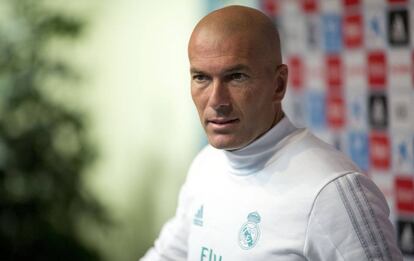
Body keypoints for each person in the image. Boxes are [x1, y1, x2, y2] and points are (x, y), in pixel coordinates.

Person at [141, 5, 403, 261]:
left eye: (236, 77)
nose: (216, 101)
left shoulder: (331, 192)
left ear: (278, 85)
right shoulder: (205, 164)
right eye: (201, 78)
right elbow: (168, 253)